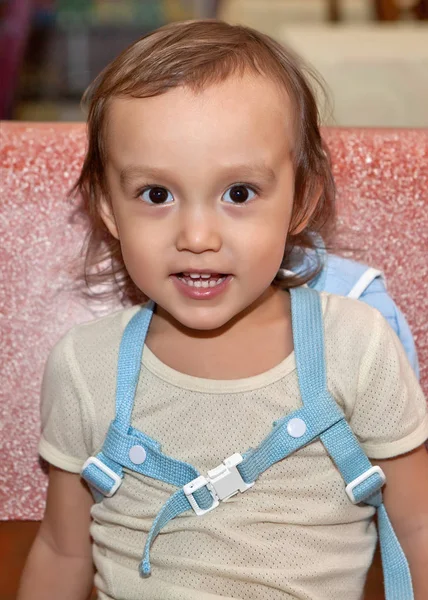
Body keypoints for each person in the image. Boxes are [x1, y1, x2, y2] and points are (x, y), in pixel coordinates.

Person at [18, 19, 428, 600]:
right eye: (156, 195)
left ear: (301, 198)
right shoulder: (87, 367)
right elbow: (62, 549)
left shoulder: (355, 347)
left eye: (239, 193)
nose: (198, 234)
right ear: (108, 208)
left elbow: (418, 526)